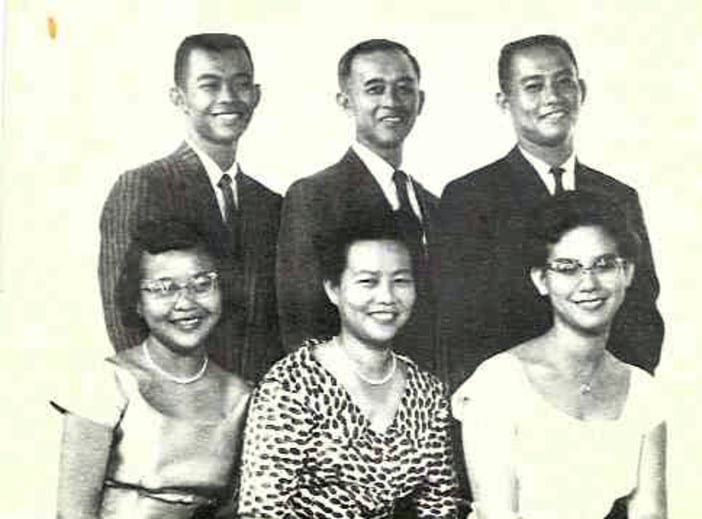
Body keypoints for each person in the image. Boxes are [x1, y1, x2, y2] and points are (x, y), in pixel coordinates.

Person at [438, 34, 663, 389]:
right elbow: (462, 326)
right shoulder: (470, 198)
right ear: (504, 101)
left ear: (582, 91)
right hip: (514, 403)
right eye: (533, 86)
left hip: (607, 404)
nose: (553, 97)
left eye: (563, 82)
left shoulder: (618, 196)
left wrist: (610, 392)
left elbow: (643, 314)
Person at [453, 192, 667, 519]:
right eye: (568, 268)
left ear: (627, 272)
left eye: (604, 265)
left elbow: (650, 514)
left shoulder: (642, 391)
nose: (589, 283)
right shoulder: (497, 384)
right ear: (542, 279)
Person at [238, 216, 459, 519]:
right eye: (367, 281)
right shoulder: (292, 385)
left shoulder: (427, 391)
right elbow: (262, 512)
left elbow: (439, 503)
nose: (386, 297)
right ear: (333, 289)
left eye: (401, 281)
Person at [99, 33, 282, 382]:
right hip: (175, 405)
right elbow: (123, 313)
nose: (228, 98)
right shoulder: (142, 186)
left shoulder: (271, 205)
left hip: (258, 410)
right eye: (209, 85)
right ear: (179, 98)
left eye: (241, 84)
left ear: (256, 96)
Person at [54, 219, 251, 519]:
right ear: (136, 302)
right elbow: (73, 513)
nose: (185, 303)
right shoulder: (106, 383)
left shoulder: (242, 395)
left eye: (201, 284)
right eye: (163, 288)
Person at [276, 38, 442, 376]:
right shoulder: (313, 197)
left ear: (420, 101)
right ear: (346, 101)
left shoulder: (435, 204)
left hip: (429, 397)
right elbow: (299, 324)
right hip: (350, 398)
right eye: (375, 89)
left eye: (404, 88)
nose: (391, 102)